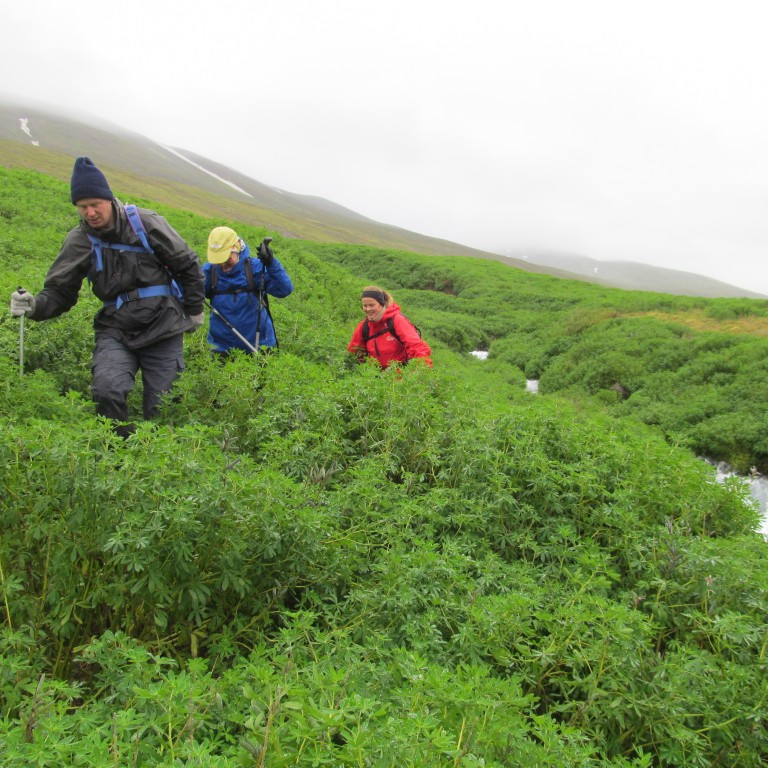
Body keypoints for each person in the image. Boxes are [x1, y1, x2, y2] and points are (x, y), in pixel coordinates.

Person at [9, 156, 205, 433]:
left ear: (110, 199)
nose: (90, 213)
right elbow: (60, 291)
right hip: (116, 328)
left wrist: (194, 310)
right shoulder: (79, 240)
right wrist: (35, 307)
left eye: (95, 204)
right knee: (106, 391)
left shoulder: (146, 223)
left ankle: (155, 453)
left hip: (163, 324)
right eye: (82, 207)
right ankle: (118, 450)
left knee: (164, 404)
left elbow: (187, 264)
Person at [204, 226, 293, 356]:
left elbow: (284, 289)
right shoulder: (209, 272)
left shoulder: (254, 268)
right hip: (222, 349)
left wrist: (271, 263)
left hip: (260, 345)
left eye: (227, 259)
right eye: (219, 260)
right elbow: (186, 294)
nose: (223, 266)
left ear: (237, 248)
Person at [347, 285, 431, 368]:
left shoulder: (397, 320)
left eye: (372, 305)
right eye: (365, 306)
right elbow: (353, 352)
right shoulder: (364, 327)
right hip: (375, 375)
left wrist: (423, 369)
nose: (368, 309)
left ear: (382, 304)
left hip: (401, 374)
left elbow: (416, 346)